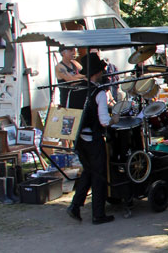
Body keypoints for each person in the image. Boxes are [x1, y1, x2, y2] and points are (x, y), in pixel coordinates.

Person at [66, 53, 114, 225]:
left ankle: (75, 205)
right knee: (99, 175)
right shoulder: (99, 93)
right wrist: (113, 119)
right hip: (93, 138)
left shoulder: (74, 89)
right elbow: (104, 121)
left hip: (78, 137)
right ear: (97, 72)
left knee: (88, 171)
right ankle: (98, 214)